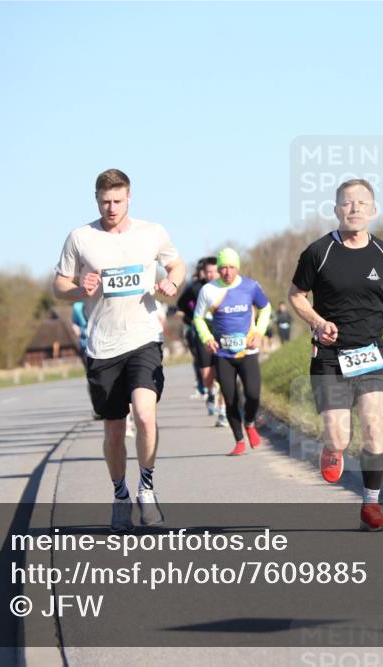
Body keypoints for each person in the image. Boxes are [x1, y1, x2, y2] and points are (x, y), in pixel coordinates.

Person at [288, 179, 383, 532]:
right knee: (339, 437)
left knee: (374, 426)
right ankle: (331, 448)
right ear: (336, 210)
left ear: (373, 210)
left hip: (371, 353)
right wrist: (318, 322)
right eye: (347, 203)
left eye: (362, 203)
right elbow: (296, 296)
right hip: (330, 356)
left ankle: (371, 506)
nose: (355, 208)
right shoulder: (318, 253)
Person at [53, 168, 185, 532]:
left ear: (129, 198)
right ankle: (120, 494)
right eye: (105, 201)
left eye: (117, 201)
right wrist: (80, 286)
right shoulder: (80, 238)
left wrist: (172, 280)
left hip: (142, 338)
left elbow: (176, 263)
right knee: (113, 431)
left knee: (144, 415)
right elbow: (59, 285)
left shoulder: (151, 232)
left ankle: (146, 488)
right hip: (101, 345)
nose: (111, 208)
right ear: (97, 200)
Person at [193, 248, 271, 456]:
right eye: (223, 268)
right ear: (218, 269)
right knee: (230, 398)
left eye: (231, 267)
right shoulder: (208, 290)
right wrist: (207, 338)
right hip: (223, 354)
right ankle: (238, 440)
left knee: (253, 394)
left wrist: (260, 333)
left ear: (237, 267)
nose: (227, 272)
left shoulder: (250, 286)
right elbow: (198, 318)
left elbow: (265, 308)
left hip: (248, 352)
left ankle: (250, 423)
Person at [177, 257, 225, 423]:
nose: (212, 274)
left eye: (214, 271)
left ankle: (223, 411)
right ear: (204, 272)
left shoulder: (224, 286)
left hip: (221, 331)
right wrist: (192, 317)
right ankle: (210, 392)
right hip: (202, 332)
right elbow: (181, 303)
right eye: (208, 272)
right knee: (207, 375)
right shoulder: (195, 288)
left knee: (223, 372)